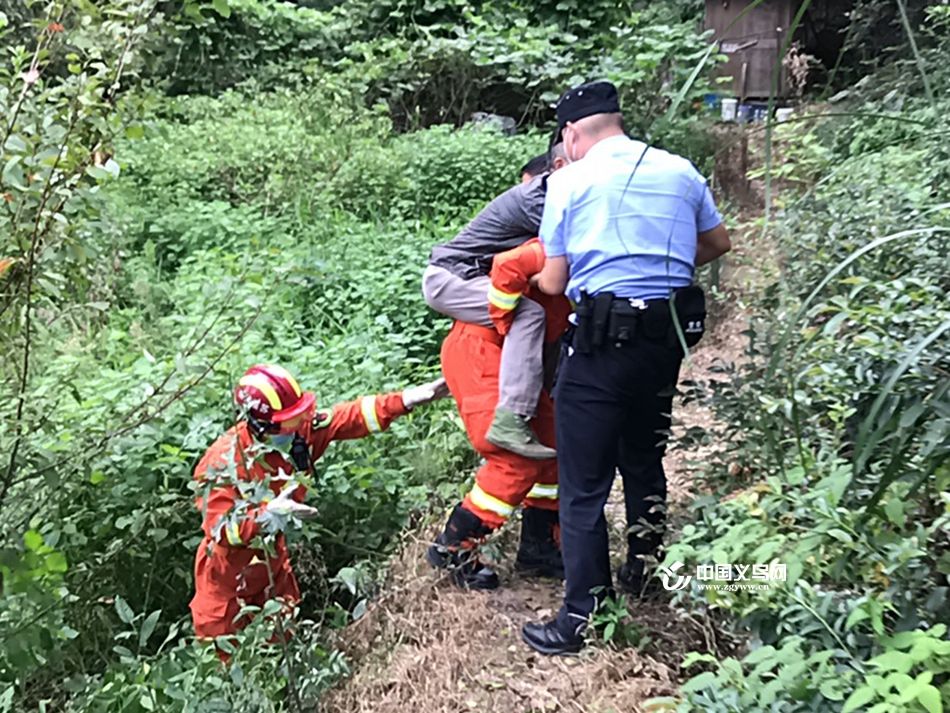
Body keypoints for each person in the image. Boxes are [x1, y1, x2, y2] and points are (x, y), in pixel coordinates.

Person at [521, 81, 732, 655]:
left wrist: (539, 281)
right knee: (643, 458)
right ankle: (646, 568)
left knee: (584, 484)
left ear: (571, 134)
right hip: (664, 343)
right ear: (617, 121)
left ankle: (582, 615)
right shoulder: (680, 170)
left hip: (600, 346)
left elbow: (555, 282)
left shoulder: (567, 180)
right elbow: (718, 242)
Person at [190, 363, 447, 656]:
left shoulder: (297, 433)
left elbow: (346, 417)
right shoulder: (222, 464)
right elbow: (222, 529)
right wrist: (266, 515)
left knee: (281, 652)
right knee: (222, 664)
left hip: (274, 571)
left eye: (301, 416)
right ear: (261, 427)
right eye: (290, 421)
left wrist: (405, 400)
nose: (300, 425)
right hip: (226, 581)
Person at [427, 235, 572, 589]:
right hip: (482, 351)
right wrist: (509, 325)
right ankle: (454, 548)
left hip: (520, 360)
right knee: (514, 457)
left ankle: (538, 547)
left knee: (552, 447)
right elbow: (508, 265)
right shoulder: (566, 242)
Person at [422, 146, 568, 460]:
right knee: (529, 315)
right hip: (451, 278)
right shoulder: (542, 201)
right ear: (559, 166)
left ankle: (528, 411)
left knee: (538, 318)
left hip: (472, 279)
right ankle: (511, 417)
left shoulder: (554, 195)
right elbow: (577, 249)